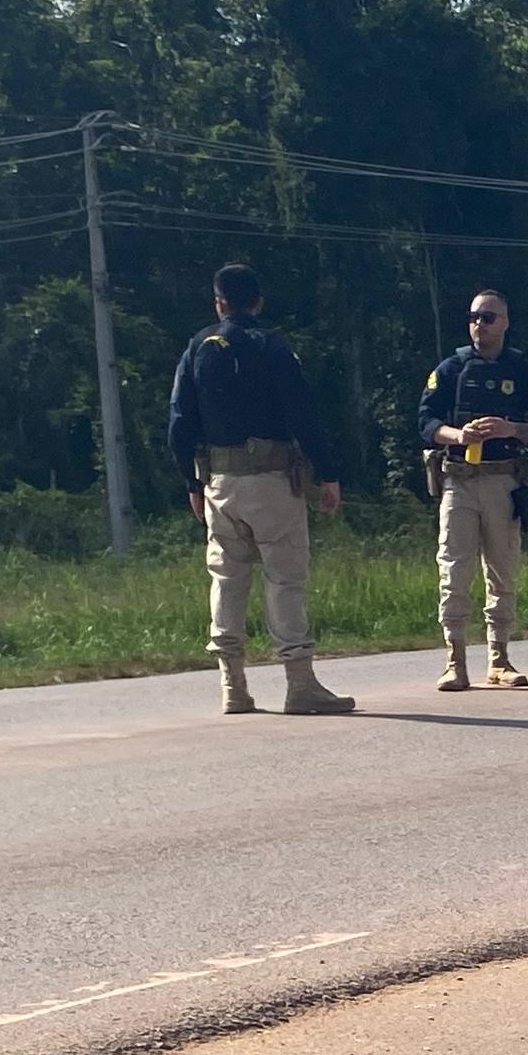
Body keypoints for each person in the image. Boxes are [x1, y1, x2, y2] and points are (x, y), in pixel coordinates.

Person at [168, 264, 353, 717]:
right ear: (259, 302)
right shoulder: (273, 347)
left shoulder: (197, 347)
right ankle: (300, 684)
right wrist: (327, 473)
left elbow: (178, 424)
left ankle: (233, 686)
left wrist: (192, 483)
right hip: (272, 482)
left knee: (227, 580)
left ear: (219, 302)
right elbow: (303, 415)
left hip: (220, 482)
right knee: (285, 579)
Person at [417, 288, 528, 692]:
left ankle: (500, 658)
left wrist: (514, 429)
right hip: (459, 480)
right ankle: (454, 660)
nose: (480, 324)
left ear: (506, 323)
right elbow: (425, 422)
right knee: (454, 571)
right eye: (475, 316)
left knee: (502, 571)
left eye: (489, 317)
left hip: (504, 480)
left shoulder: (524, 373)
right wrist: (457, 435)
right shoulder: (451, 370)